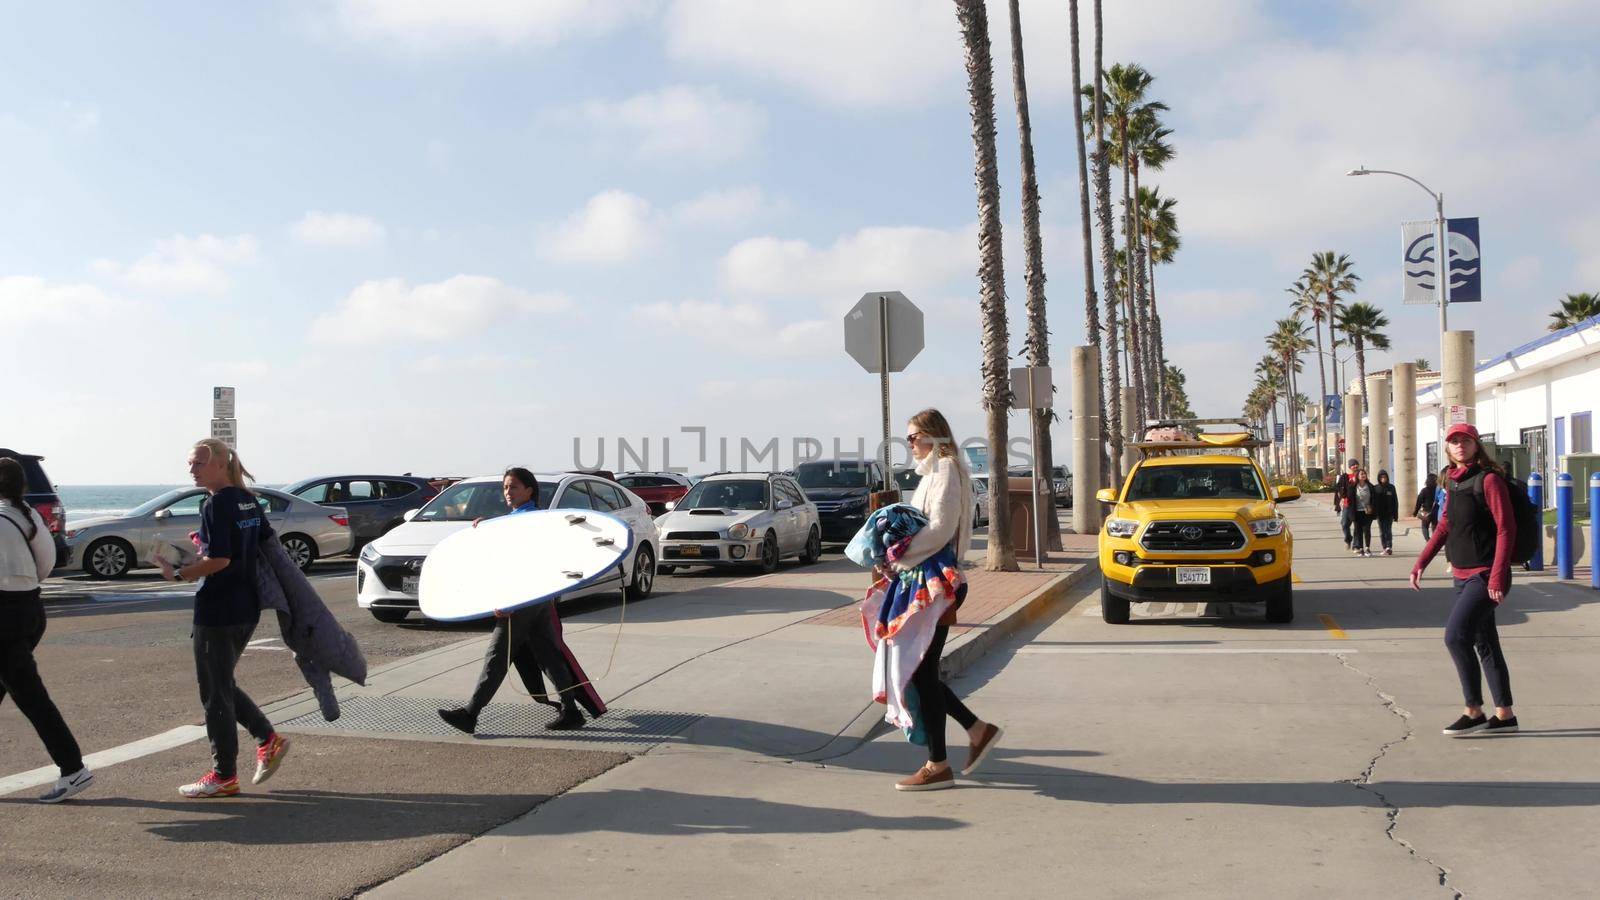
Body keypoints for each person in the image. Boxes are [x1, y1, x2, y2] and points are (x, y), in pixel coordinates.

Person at [158, 439, 289, 797]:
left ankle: (224, 775)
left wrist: (179, 573)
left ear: (219, 464)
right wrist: (206, 543)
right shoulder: (249, 499)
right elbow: (261, 542)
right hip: (247, 606)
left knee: (214, 691)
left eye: (198, 463)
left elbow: (220, 561)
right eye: (191, 464)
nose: (192, 470)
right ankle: (268, 739)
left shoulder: (215, 504)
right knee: (222, 682)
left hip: (218, 608)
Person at [437, 467, 606, 735]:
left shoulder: (528, 520)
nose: (508, 492)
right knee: (548, 656)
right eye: (505, 487)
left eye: (513, 487)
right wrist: (487, 528)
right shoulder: (521, 518)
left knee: (497, 657)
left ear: (529, 490)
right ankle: (571, 711)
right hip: (536, 598)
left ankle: (470, 713)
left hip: (523, 599)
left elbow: (522, 563)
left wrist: (509, 602)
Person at [885, 409, 1002, 791]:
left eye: (914, 436)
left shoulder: (946, 470)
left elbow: (939, 529)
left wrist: (899, 557)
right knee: (922, 672)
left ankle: (940, 762)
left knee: (921, 672)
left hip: (938, 583)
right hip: (925, 581)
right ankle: (974, 731)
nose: (911, 444)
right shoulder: (932, 473)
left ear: (934, 436)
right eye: (908, 438)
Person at [1410, 423, 1519, 737]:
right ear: (1447, 448)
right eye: (1454, 441)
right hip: (1461, 574)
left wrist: (1497, 576)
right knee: (1485, 644)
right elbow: (1444, 527)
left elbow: (1505, 529)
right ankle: (1505, 715)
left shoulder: (1488, 480)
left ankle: (1473, 710)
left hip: (1485, 576)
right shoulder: (1452, 482)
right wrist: (1421, 562)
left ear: (1476, 445)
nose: (1459, 445)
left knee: (1455, 636)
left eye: (1465, 441)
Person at [0, 457, 93, 803]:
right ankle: (72, 768)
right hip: (30, 609)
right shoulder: (27, 515)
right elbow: (46, 563)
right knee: (20, 690)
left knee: (32, 699)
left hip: (5, 618)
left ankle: (73, 769)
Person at [1333, 459, 1361, 549]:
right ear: (1350, 467)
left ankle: (1356, 545)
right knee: (1344, 524)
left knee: (1357, 525)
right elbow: (1338, 489)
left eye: (1356, 464)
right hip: (1347, 505)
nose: (1355, 466)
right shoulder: (1345, 477)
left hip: (1358, 505)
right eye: (1353, 465)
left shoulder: (1361, 476)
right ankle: (1348, 539)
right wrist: (1338, 502)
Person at [1349, 469, 1376, 557]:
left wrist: (1373, 508)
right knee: (1358, 531)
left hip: (1368, 512)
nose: (1363, 475)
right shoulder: (1353, 487)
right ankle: (1360, 548)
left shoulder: (1370, 486)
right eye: (1361, 474)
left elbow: (1374, 499)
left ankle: (1367, 548)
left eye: (1364, 473)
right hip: (1357, 512)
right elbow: (1349, 499)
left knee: (1367, 530)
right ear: (1357, 476)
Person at [1373, 470, 1400, 556]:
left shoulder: (1391, 487)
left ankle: (1389, 547)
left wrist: (1396, 514)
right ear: (1379, 478)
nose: (1383, 479)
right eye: (1381, 477)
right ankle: (1384, 547)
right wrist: (1373, 514)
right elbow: (1373, 502)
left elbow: (1395, 501)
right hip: (1380, 513)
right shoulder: (1376, 488)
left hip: (1389, 513)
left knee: (1388, 530)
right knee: (1382, 531)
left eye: (1384, 477)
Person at [1413, 473, 1440, 540]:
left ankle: (1428, 539)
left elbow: (1419, 501)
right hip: (1435, 511)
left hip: (1426, 511)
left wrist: (1415, 512)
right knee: (1435, 526)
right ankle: (1434, 541)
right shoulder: (1438, 490)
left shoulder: (1424, 490)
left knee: (1425, 526)